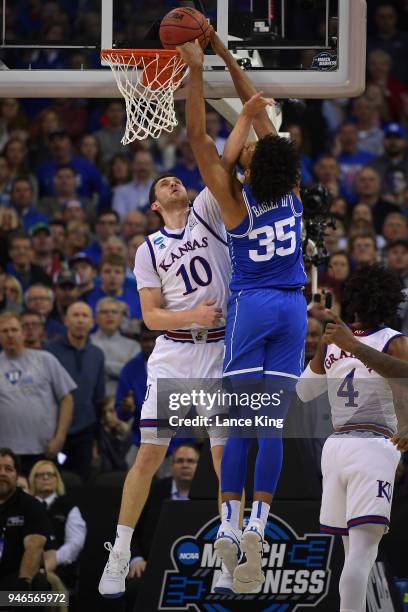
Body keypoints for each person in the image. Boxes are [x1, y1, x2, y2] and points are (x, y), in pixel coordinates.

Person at [179, 32, 307, 593]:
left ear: (254, 166)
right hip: (293, 309)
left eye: (252, 149)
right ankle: (259, 522)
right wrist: (230, 62)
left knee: (236, 425)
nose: (252, 146)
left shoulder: (235, 198)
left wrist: (194, 68)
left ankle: (230, 529)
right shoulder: (295, 191)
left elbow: (198, 137)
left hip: (252, 307)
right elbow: (261, 122)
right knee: (270, 426)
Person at [99, 126, 234, 598]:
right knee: (150, 453)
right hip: (175, 350)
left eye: (177, 180)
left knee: (223, 457)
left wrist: (247, 112)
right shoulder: (148, 249)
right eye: (164, 185)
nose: (173, 183)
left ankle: (227, 551)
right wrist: (192, 312)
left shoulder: (209, 213)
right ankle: (118, 551)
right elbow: (152, 316)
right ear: (155, 205)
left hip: (219, 349)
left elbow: (224, 154)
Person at [296, 264, 408, 611]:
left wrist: (327, 352)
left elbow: (302, 392)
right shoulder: (394, 340)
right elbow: (404, 383)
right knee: (362, 554)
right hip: (373, 447)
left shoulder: (331, 341)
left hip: (335, 448)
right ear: (391, 302)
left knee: (351, 554)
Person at [0, 312, 75, 475]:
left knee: (44, 498)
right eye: (5, 331)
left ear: (23, 332)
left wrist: (60, 438)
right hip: (5, 454)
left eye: (14, 329)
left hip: (43, 449)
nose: (10, 335)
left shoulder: (45, 359)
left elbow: (67, 399)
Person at [125, 444, 200, 601]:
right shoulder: (151, 491)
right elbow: (129, 530)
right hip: (151, 564)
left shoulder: (210, 496)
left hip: (196, 564)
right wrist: (136, 560)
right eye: (179, 461)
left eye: (190, 461)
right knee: (134, 589)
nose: (185, 465)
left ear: (199, 466)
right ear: (171, 466)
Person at [47, 302, 105, 481]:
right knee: (53, 480)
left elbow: (98, 398)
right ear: (66, 320)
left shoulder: (97, 354)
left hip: (85, 431)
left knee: (84, 483)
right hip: (54, 430)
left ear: (92, 322)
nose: (80, 320)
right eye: (76, 315)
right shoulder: (49, 351)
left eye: (85, 316)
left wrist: (97, 438)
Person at [0, 448, 54, 593]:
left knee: (41, 588)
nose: (2, 473)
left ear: (17, 475)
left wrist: (24, 581)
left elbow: (34, 546)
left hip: (14, 579)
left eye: (8, 469)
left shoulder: (31, 505)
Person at [29, 460, 87, 593]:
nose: (45, 477)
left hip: (59, 570)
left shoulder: (69, 508)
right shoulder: (25, 506)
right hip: (23, 567)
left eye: (50, 474)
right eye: (40, 475)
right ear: (33, 479)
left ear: (57, 479)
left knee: (42, 585)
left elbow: (75, 543)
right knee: (8, 594)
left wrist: (54, 559)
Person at [90, 297, 141, 396]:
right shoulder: (87, 342)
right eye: (104, 312)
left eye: (114, 312)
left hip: (123, 403)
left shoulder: (133, 346)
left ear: (121, 317)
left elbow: (131, 373)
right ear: (96, 318)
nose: (110, 315)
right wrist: (120, 366)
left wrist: (99, 365)